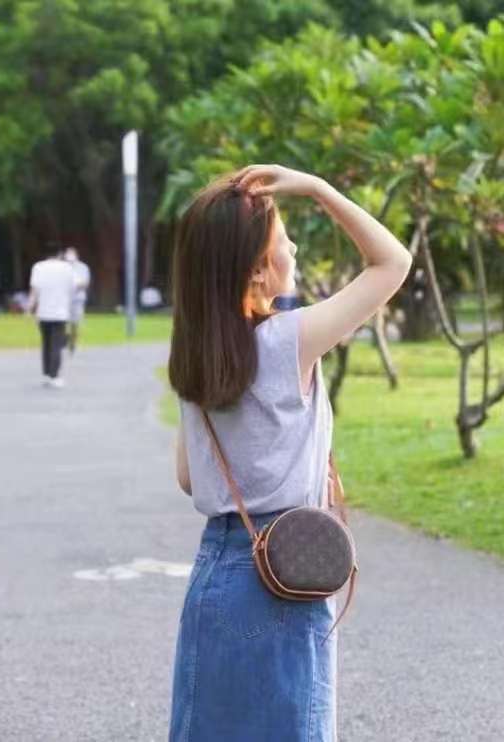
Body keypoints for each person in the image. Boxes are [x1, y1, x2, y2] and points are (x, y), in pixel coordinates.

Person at [167, 165, 411, 740]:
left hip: (215, 575)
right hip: (282, 569)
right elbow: (392, 263)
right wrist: (318, 188)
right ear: (257, 267)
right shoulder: (287, 341)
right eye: (283, 237)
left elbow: (188, 476)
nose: (293, 247)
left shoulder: (198, 353)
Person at [28, 244, 76, 388]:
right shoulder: (67, 268)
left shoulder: (38, 267)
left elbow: (34, 290)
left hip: (43, 311)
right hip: (60, 312)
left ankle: (47, 374)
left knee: (46, 343)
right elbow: (73, 287)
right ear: (60, 254)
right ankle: (55, 376)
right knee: (56, 344)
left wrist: (30, 308)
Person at [63, 247, 90, 354]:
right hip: (64, 299)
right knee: (63, 321)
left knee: (75, 322)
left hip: (78, 299)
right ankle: (65, 338)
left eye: (72, 254)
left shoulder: (83, 267)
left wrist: (75, 286)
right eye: (68, 254)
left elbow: (85, 283)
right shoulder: (62, 267)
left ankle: (73, 343)